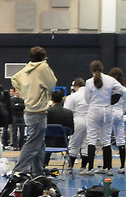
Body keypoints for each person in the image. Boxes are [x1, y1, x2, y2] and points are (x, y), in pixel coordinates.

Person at [10, 46, 57, 178]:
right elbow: (52, 85)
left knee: (40, 143)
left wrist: (24, 93)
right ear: (44, 58)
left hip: (29, 110)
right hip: (39, 111)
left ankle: (38, 172)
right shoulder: (43, 67)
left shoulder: (27, 68)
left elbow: (14, 79)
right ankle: (18, 171)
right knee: (33, 143)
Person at [80, 60, 126, 176]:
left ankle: (90, 169)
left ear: (91, 70)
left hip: (94, 109)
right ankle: (109, 168)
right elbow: (125, 91)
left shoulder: (89, 82)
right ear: (102, 68)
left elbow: (86, 99)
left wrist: (93, 102)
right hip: (108, 110)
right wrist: (114, 100)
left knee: (91, 139)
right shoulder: (110, 80)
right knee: (106, 140)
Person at [44, 89, 75, 166]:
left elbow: (43, 129)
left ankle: (44, 164)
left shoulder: (47, 112)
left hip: (48, 144)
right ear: (62, 99)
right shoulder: (69, 113)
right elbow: (72, 131)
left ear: (52, 99)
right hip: (63, 143)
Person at [63, 78, 88, 171]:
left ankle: (70, 167)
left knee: (74, 144)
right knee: (86, 144)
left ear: (75, 86)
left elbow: (66, 111)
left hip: (77, 120)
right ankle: (84, 167)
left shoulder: (72, 96)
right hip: (90, 121)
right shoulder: (91, 95)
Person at [109, 67, 126, 173]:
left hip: (110, 113)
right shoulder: (125, 90)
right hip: (120, 114)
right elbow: (125, 106)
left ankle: (108, 166)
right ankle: (122, 166)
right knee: (120, 139)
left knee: (106, 140)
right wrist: (121, 112)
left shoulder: (109, 89)